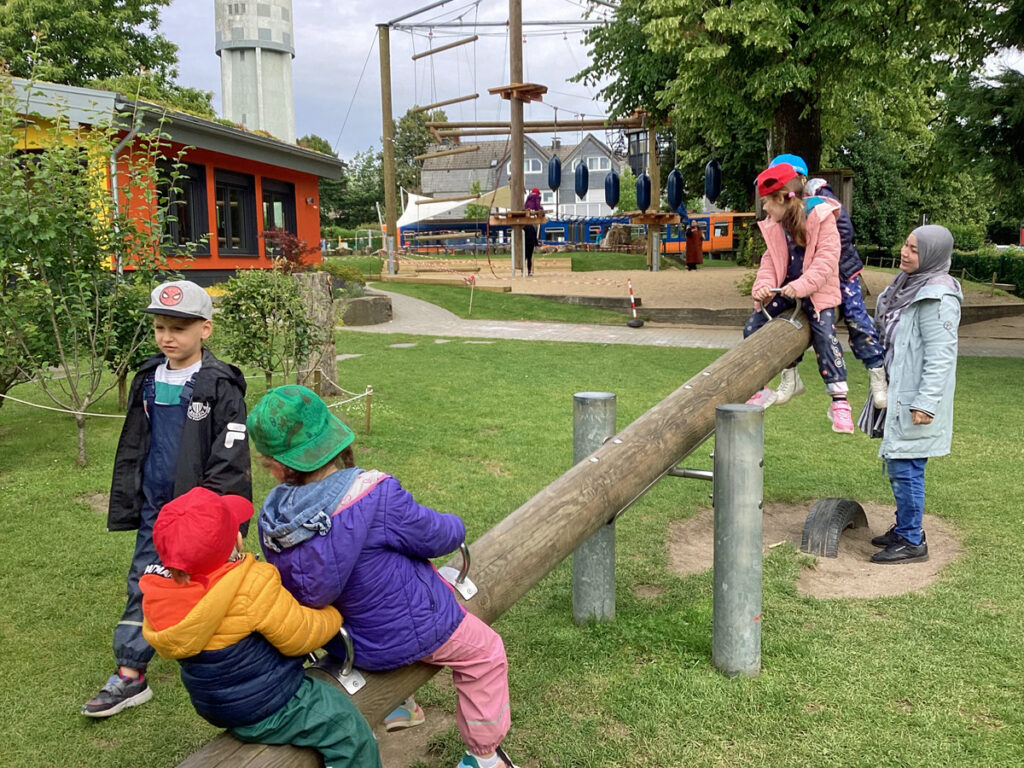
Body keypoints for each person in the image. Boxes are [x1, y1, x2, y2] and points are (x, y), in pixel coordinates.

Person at [248, 386, 518, 768]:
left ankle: (398, 705)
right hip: (410, 632)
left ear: (274, 466)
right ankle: (484, 757)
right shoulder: (375, 495)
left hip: (346, 645)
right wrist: (457, 526)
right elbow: (436, 537)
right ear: (331, 438)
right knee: (486, 653)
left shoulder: (274, 519)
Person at [82, 280, 252, 718]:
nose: (167, 337)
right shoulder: (147, 378)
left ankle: (239, 661)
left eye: (178, 327)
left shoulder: (220, 384)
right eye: (160, 327)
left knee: (217, 585)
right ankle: (130, 672)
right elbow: (139, 444)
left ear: (205, 330)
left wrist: (224, 515)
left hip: (204, 511)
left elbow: (231, 453)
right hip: (158, 511)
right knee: (148, 578)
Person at [140, 487, 380, 767]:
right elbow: (300, 636)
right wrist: (333, 616)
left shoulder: (162, 595)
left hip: (218, 706)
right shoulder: (251, 584)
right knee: (347, 729)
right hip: (270, 702)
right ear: (237, 540)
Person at [859, 225, 962, 564]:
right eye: (905, 244)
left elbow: (941, 356)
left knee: (907, 465)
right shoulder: (904, 285)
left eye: (915, 249)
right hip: (898, 388)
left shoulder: (938, 296)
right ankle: (905, 527)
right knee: (899, 461)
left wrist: (926, 404)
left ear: (932, 255)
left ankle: (911, 540)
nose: (905, 252)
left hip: (916, 398)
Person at [769, 154, 889, 410]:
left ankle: (877, 372)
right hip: (813, 275)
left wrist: (821, 253)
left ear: (800, 180)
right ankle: (789, 376)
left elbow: (842, 231)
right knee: (787, 315)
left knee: (856, 316)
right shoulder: (785, 207)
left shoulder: (819, 196)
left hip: (841, 270)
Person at [744, 162, 855, 434]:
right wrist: (763, 286)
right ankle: (759, 387)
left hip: (816, 290)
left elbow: (827, 259)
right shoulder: (775, 224)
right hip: (787, 288)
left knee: (824, 336)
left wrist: (804, 286)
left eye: (767, 202)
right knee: (752, 327)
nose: (765, 209)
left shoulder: (820, 215)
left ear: (782, 198)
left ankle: (839, 400)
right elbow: (769, 261)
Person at [523, 187, 543, 276]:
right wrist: (540, 210)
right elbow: (538, 205)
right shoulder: (537, 197)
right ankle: (529, 271)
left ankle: (523, 271)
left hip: (524, 243)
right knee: (529, 257)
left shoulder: (528, 197)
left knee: (524, 257)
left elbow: (526, 205)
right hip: (530, 243)